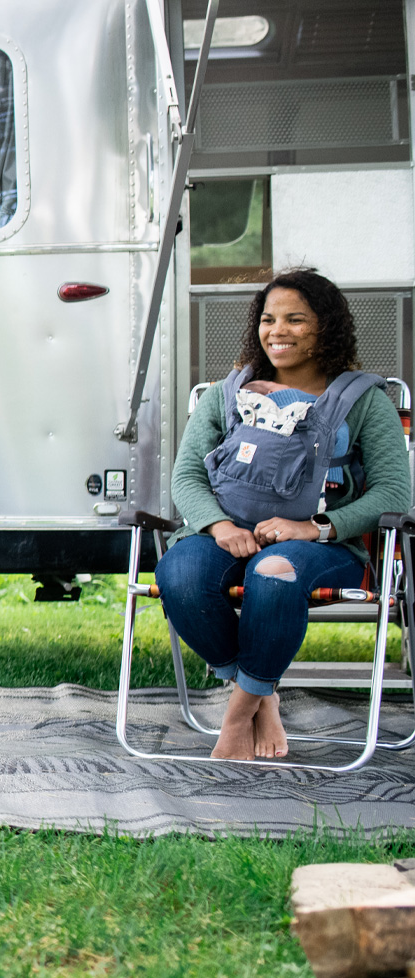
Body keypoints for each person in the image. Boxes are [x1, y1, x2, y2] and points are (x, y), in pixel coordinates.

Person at [158, 268, 410, 760]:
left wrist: (312, 527)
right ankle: (262, 695)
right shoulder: (228, 393)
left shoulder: (363, 400)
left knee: (273, 572)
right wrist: (220, 525)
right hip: (223, 534)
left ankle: (235, 718)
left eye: (296, 319)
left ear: (327, 327)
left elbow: (393, 492)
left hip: (323, 547)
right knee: (180, 576)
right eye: (269, 319)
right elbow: (186, 476)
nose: (278, 331)